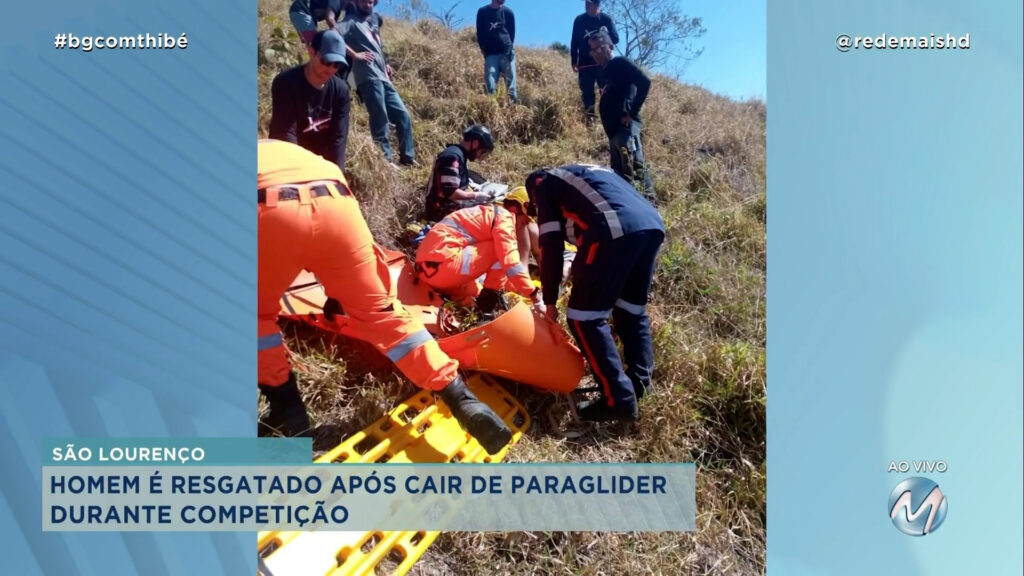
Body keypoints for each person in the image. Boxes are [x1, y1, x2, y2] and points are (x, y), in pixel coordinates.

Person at [258, 139, 512, 454]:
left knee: (256, 317)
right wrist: (343, 292)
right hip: (336, 201)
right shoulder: (280, 149)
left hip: (267, 206)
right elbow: (324, 233)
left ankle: (289, 413)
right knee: (382, 312)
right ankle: (460, 397)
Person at [525, 164, 664, 422]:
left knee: (583, 317)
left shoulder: (543, 184)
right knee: (631, 311)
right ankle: (639, 385)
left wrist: (551, 300)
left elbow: (550, 246)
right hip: (652, 225)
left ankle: (619, 400)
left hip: (614, 229)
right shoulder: (585, 175)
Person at [415, 187, 544, 316]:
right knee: (500, 250)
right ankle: (488, 306)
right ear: (516, 210)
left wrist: (516, 286)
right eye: (524, 222)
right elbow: (510, 263)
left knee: (476, 292)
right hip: (443, 266)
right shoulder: (504, 219)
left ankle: (481, 303)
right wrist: (534, 295)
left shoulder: (486, 214)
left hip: (428, 271)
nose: (523, 227)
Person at [338, 0, 416, 165]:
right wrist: (355, 55)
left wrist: (386, 62)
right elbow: (334, 36)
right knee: (380, 115)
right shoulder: (350, 20)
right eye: (365, 1)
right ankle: (384, 159)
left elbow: (377, 45)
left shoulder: (373, 21)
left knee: (403, 115)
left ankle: (407, 159)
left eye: (371, 2)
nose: (369, 5)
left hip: (383, 76)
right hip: (367, 76)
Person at [269, 30, 352, 172]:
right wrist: (300, 174)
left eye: (337, 65)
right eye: (327, 61)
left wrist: (337, 174)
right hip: (288, 159)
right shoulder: (285, 83)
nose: (331, 69)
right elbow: (286, 133)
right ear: (311, 51)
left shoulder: (341, 90)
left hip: (322, 162)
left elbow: (339, 138)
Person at [588, 30, 655, 201]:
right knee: (619, 175)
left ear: (610, 46)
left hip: (626, 127)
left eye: (599, 48)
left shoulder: (621, 63)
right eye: (592, 50)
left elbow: (644, 82)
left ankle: (650, 204)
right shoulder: (601, 74)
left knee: (635, 165)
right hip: (612, 133)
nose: (595, 53)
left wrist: (631, 112)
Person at [423, 124, 496, 223]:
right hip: (441, 212)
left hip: (448, 207)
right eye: (482, 152)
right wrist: (475, 195)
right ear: (475, 143)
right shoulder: (452, 157)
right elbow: (451, 192)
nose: (480, 156)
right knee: (490, 218)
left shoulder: (459, 155)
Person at [570, 0, 619, 124]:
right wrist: (573, 59)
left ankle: (609, 117)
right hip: (584, 63)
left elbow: (615, 38)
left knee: (605, 90)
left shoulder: (606, 19)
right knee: (586, 90)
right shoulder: (579, 20)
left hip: (603, 63)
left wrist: (603, 36)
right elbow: (574, 41)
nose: (587, 5)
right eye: (586, 2)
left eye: (590, 3)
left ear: (597, 5)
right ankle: (590, 117)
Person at [476, 0, 517, 103]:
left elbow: (511, 34)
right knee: (490, 84)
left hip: (506, 53)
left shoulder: (508, 13)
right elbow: (480, 33)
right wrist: (483, 48)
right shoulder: (482, 12)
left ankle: (513, 110)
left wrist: (509, 48)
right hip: (491, 54)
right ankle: (492, 109)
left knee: (511, 85)